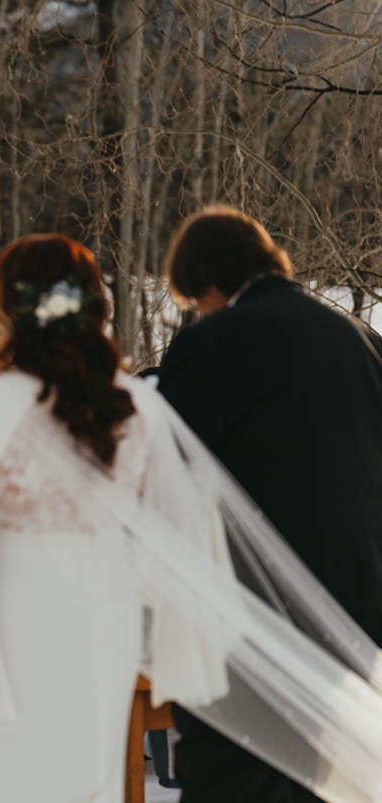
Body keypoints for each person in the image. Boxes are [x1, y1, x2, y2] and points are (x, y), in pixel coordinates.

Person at [0, 234, 241, 800]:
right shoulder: (138, 404)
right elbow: (188, 532)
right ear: (92, 304)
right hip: (107, 629)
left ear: (7, 306)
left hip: (12, 641)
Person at [157, 206, 382, 802]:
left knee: (227, 769)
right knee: (316, 772)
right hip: (360, 597)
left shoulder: (215, 342)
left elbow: (166, 470)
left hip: (254, 601)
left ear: (207, 282)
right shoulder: (360, 337)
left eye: (193, 297)